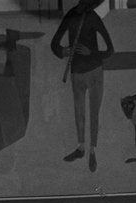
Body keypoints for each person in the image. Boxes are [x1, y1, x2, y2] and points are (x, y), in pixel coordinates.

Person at [50, 0, 115, 173]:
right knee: (79, 111)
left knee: (93, 111)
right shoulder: (71, 16)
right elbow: (54, 44)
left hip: (94, 71)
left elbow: (110, 49)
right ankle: (81, 148)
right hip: (77, 72)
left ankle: (92, 150)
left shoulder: (92, 17)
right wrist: (64, 51)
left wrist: (91, 53)